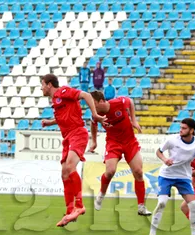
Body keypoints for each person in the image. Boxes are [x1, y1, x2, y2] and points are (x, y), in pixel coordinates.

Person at [40, 74, 105, 227]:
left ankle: (79, 205)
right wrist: (50, 122)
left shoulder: (63, 92)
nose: (41, 88)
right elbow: (64, 116)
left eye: (42, 84)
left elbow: (86, 95)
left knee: (70, 167)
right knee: (64, 172)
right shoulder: (55, 100)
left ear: (49, 85)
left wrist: (94, 114)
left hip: (77, 133)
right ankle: (70, 211)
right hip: (67, 137)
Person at [147, 118, 195, 235]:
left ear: (191, 130)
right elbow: (159, 151)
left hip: (184, 177)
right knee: (162, 203)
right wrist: (164, 159)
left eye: (184, 128)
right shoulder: (172, 139)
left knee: (192, 205)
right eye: (180, 127)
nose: (181, 130)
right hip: (166, 175)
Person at [89, 92, 152, 216]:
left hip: (130, 141)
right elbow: (93, 124)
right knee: (110, 171)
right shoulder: (96, 114)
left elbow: (131, 102)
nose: (92, 106)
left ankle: (141, 206)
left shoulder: (118, 102)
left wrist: (134, 120)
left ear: (101, 101)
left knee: (138, 172)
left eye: (94, 103)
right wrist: (94, 142)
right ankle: (101, 194)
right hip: (113, 143)